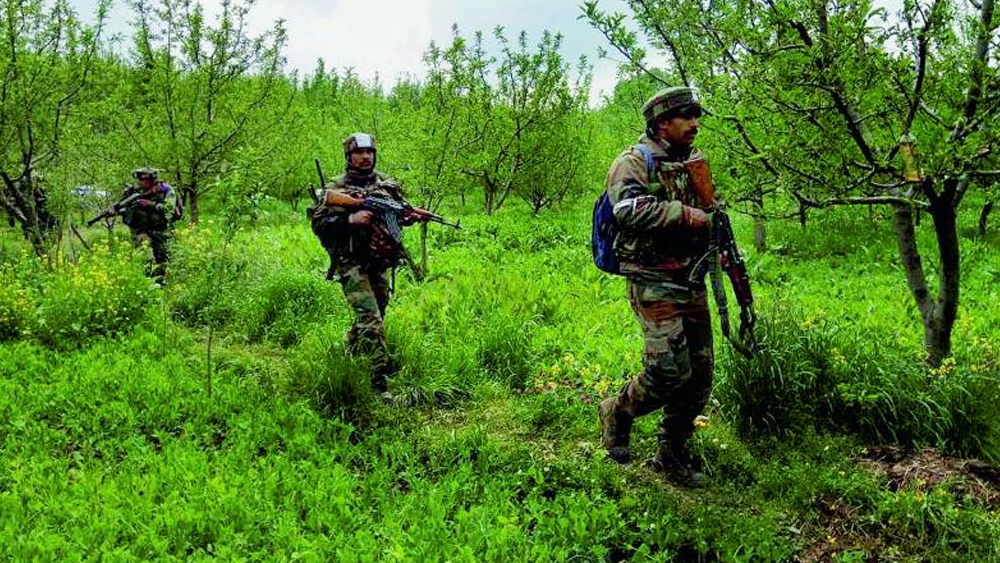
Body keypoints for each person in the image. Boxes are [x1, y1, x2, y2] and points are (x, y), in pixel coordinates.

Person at [598, 87, 715, 487]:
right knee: (667, 371)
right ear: (662, 122)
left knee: (700, 377)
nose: (694, 124)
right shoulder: (634, 161)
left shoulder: (691, 164)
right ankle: (618, 410)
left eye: (696, 116)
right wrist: (686, 215)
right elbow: (628, 209)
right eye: (686, 117)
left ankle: (671, 453)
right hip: (652, 280)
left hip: (690, 278)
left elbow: (711, 212)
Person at [309, 133, 420, 401]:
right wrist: (350, 220)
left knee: (376, 316)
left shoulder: (386, 184)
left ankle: (347, 350)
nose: (365, 157)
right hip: (351, 264)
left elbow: (395, 214)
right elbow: (319, 224)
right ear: (349, 157)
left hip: (378, 261)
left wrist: (408, 217)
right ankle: (378, 382)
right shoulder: (336, 187)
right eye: (359, 153)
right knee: (371, 322)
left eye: (369, 152)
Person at [121, 167, 183, 284]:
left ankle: (160, 285)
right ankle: (146, 284)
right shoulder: (134, 192)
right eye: (139, 179)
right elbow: (124, 207)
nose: (140, 182)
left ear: (152, 180)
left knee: (163, 261)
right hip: (141, 231)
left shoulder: (166, 190)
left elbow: (169, 208)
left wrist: (151, 204)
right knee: (145, 257)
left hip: (161, 230)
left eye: (144, 179)